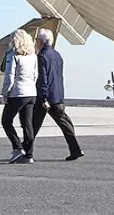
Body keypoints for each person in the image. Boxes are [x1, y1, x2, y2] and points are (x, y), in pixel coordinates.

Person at [32, 28, 83, 160]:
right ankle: (76, 149)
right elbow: (58, 76)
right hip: (58, 96)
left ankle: (26, 151)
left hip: (46, 97)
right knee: (65, 123)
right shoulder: (57, 55)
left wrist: (43, 97)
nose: (35, 42)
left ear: (41, 42)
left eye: (37, 39)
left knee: (33, 124)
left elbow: (43, 78)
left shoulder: (41, 56)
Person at [1, 28, 39, 164]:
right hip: (31, 93)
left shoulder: (13, 55)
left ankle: (18, 147)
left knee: (6, 121)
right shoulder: (33, 56)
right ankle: (29, 154)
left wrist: (5, 93)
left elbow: (9, 77)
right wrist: (31, 87)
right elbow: (36, 75)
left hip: (17, 93)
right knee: (27, 124)